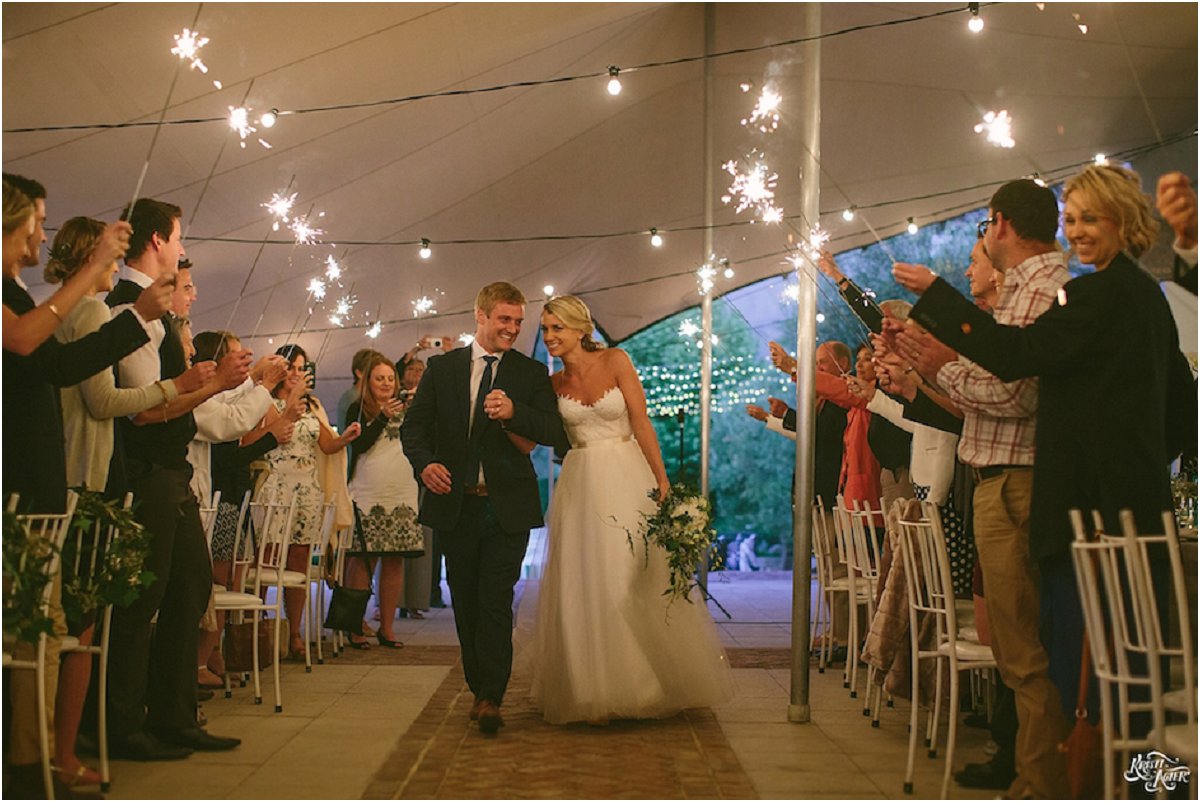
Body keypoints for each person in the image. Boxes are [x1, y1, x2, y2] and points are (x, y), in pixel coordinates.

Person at [895, 168, 1194, 796]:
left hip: (1091, 516)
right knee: (1127, 677)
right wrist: (1137, 464)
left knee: (1084, 672)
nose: (1076, 232)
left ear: (1123, 223)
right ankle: (1135, 787)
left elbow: (1015, 360)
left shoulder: (1098, 297)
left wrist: (937, 299)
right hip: (1129, 510)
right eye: (1072, 218)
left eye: (1090, 219)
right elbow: (1182, 411)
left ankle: (1098, 787)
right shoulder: (1144, 297)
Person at [2, 181, 171, 797]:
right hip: (17, 488)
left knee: (42, 635)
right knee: (37, 634)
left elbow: (59, 367)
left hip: (39, 485)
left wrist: (138, 319)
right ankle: (31, 767)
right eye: (35, 224)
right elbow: (26, 342)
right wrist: (95, 269)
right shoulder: (16, 302)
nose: (40, 238)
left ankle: (34, 764)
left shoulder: (20, 295)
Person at [529, 294, 732, 725]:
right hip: (581, 483)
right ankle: (593, 687)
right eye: (545, 329)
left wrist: (661, 479)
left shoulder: (616, 360)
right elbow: (538, 433)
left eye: (557, 328)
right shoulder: (552, 384)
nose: (549, 337)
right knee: (586, 581)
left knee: (630, 576)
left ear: (580, 329)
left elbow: (641, 421)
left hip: (626, 474)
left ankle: (647, 682)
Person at [105, 197, 250, 761]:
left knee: (190, 585)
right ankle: (125, 722)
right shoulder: (130, 308)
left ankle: (174, 714)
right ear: (157, 241)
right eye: (179, 236)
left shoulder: (157, 312)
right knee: (143, 599)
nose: (183, 247)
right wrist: (211, 385)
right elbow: (143, 410)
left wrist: (208, 381)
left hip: (172, 474)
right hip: (147, 474)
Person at [400, 281, 568, 735]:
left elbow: (554, 431)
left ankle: (491, 695)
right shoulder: (443, 368)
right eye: (504, 319)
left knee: (496, 599)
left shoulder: (530, 373)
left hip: (506, 507)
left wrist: (515, 412)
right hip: (456, 506)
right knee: (466, 600)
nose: (512, 328)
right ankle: (479, 686)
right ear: (481, 315)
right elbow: (413, 429)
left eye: (518, 321)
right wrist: (425, 465)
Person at [252, 343, 360, 658]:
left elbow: (325, 444)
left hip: (307, 489)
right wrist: (290, 403)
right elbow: (271, 432)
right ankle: (256, 627)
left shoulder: (311, 405)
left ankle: (295, 632)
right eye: (291, 367)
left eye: (302, 368)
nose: (296, 374)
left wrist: (345, 438)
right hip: (275, 485)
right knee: (266, 557)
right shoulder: (265, 399)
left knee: (299, 559)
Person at [343, 353, 423, 647]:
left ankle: (387, 627)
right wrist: (382, 417)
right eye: (380, 378)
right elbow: (359, 445)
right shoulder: (357, 408)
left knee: (394, 560)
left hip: (402, 491)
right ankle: (354, 625)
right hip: (368, 492)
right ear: (367, 381)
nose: (387, 383)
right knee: (364, 560)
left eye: (391, 378)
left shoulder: (410, 410)